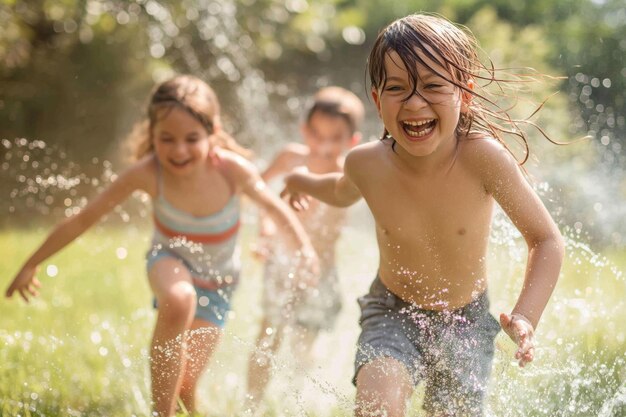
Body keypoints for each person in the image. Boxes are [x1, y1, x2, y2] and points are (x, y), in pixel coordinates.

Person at [281, 14, 565, 417]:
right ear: (378, 101)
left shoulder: (482, 158)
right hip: (392, 311)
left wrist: (524, 316)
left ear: (464, 95)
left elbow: (546, 240)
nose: (415, 103)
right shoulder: (366, 164)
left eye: (432, 86)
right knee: (378, 406)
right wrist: (299, 180)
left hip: (465, 321)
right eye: (397, 88)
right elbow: (339, 193)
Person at [4, 75, 319, 417]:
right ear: (152, 134)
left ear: (212, 132)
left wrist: (305, 250)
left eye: (191, 139)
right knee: (178, 298)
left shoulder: (232, 171)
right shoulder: (147, 173)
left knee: (185, 387)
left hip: (220, 283)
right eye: (166, 139)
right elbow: (84, 218)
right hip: (169, 260)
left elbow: (274, 207)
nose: (179, 150)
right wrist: (32, 262)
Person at [246, 86, 364, 408]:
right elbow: (259, 191)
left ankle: (294, 402)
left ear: (352, 141)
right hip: (284, 263)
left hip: (322, 272)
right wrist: (266, 233)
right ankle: (251, 405)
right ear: (304, 130)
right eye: (316, 133)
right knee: (269, 334)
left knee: (304, 344)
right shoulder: (291, 158)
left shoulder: (350, 173)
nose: (323, 143)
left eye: (335, 137)